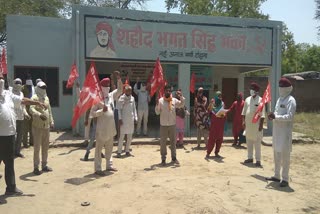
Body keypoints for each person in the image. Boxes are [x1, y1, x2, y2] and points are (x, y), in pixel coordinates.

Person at [0, 74, 45, 195]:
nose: (1, 82)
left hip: (9, 135)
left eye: (2, 81)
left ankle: (11, 188)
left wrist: (36, 103)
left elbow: (23, 100)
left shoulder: (8, 95)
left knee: (9, 163)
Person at [90, 71, 122, 176]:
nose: (108, 87)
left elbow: (120, 90)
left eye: (109, 85)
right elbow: (92, 113)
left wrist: (118, 79)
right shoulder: (97, 99)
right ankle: (98, 168)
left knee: (109, 148)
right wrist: (101, 111)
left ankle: (109, 165)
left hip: (111, 128)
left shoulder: (111, 96)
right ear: (102, 87)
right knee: (99, 149)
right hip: (101, 129)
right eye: (106, 85)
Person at [266, 78, 296, 187]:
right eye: (279, 87)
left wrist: (276, 117)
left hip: (285, 133)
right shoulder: (279, 99)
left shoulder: (290, 100)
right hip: (277, 131)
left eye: (282, 87)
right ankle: (276, 175)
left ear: (287, 89)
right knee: (276, 154)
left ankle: (285, 179)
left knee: (285, 156)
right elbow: (276, 112)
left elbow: (290, 116)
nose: (280, 89)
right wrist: (272, 115)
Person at [155, 85, 185, 166]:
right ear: (164, 91)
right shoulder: (161, 101)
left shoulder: (174, 100)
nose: (168, 92)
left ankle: (174, 158)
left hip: (172, 124)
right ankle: (163, 159)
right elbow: (157, 112)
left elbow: (182, 104)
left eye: (169, 91)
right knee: (163, 143)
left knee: (173, 142)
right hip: (163, 125)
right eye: (166, 91)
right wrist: (157, 105)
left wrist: (181, 96)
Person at [30, 81, 54, 175]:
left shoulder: (46, 97)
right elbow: (31, 109)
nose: (44, 89)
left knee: (45, 147)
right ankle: (36, 167)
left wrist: (51, 121)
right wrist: (39, 114)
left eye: (45, 87)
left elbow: (49, 110)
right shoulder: (34, 98)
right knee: (37, 148)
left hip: (46, 126)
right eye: (42, 87)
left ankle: (44, 165)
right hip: (37, 126)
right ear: (38, 88)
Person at [241, 82, 265, 167]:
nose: (251, 90)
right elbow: (244, 112)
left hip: (256, 125)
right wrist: (243, 121)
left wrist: (261, 125)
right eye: (251, 88)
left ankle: (258, 160)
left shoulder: (261, 100)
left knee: (257, 143)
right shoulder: (247, 99)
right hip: (248, 125)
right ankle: (250, 157)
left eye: (253, 89)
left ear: (256, 91)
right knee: (249, 142)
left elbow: (262, 115)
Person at [11, 78, 30, 158]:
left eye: (20, 83)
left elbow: (23, 106)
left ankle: (17, 151)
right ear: (14, 83)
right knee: (12, 136)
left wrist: (26, 113)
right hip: (13, 117)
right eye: (17, 82)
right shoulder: (10, 93)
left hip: (21, 117)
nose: (18, 84)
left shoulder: (21, 93)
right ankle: (11, 152)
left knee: (20, 136)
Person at [116, 85, 138, 157]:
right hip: (123, 119)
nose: (129, 91)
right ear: (125, 91)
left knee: (129, 136)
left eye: (130, 90)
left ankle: (127, 150)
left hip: (130, 120)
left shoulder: (132, 98)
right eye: (128, 90)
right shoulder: (121, 99)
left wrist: (135, 117)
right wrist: (120, 119)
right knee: (122, 136)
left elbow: (134, 109)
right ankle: (119, 151)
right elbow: (119, 109)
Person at [21, 77, 35, 147]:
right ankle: (25, 143)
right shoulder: (22, 88)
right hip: (25, 109)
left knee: (32, 127)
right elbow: (21, 98)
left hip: (32, 109)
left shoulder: (33, 88)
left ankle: (32, 142)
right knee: (25, 128)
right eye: (28, 86)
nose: (29, 87)